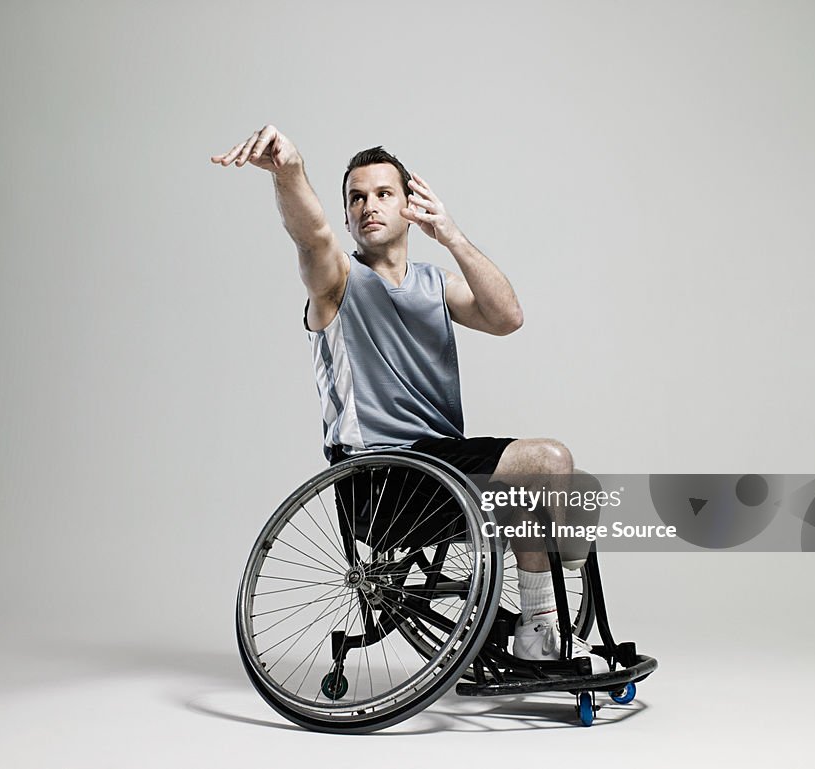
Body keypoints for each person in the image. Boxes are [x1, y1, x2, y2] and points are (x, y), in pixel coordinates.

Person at [211, 124, 605, 671]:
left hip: (439, 466)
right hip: (378, 480)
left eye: (382, 194)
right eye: (355, 197)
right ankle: (547, 622)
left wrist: (452, 236)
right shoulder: (337, 280)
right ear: (347, 213)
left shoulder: (434, 283)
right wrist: (290, 171)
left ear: (410, 206)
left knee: (567, 488)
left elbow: (508, 318)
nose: (367, 206)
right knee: (548, 461)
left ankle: (540, 626)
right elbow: (311, 235)